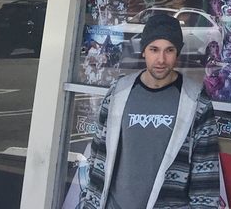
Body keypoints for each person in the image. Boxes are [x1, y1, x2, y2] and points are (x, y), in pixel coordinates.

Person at [81, 12, 221, 209]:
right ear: (143, 51)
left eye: (169, 50)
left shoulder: (196, 101)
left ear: (177, 53)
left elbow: (206, 181)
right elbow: (97, 157)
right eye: (154, 49)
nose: (161, 59)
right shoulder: (118, 93)